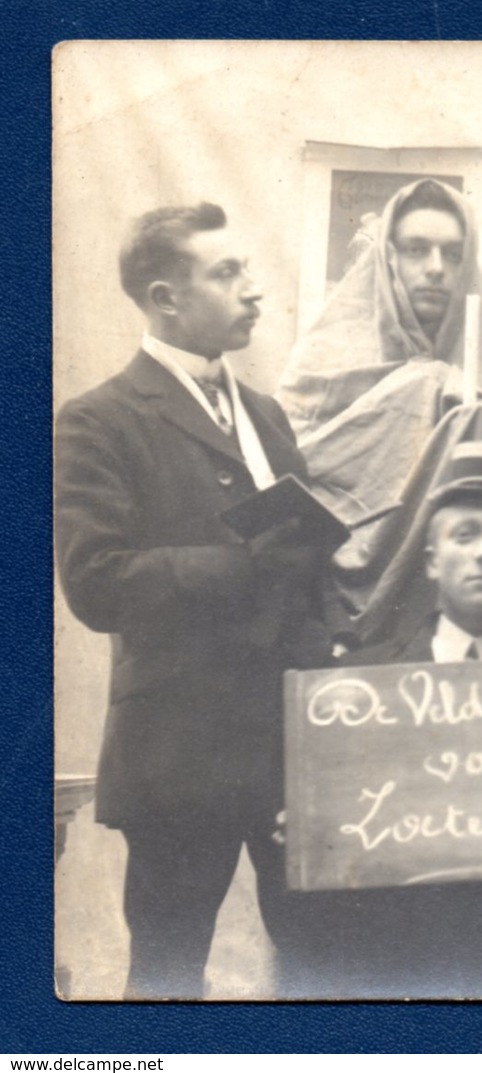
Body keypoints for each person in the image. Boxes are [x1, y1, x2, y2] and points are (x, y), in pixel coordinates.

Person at [54, 203, 335, 997]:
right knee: (169, 976)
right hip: (179, 753)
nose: (253, 290)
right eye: (227, 272)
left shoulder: (269, 417)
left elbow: (302, 575)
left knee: (321, 967)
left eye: (245, 269)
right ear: (164, 297)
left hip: (291, 751)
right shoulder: (98, 420)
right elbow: (96, 582)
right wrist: (244, 564)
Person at [278, 442, 482, 998]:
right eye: (465, 535)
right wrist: (306, 833)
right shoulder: (356, 691)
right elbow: (323, 901)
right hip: (392, 979)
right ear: (429, 560)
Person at [277, 178, 482, 639]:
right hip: (327, 629)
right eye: (416, 250)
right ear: (388, 258)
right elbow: (293, 484)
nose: (436, 268)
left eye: (453, 253)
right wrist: (428, 383)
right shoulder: (319, 365)